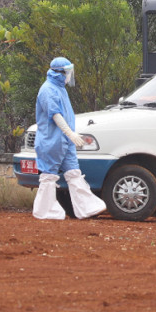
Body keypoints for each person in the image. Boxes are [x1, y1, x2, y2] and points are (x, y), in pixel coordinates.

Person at [32, 57, 107, 220]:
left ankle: (87, 208)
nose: (69, 76)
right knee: (49, 175)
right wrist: (70, 133)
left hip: (64, 140)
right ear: (59, 73)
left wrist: (70, 136)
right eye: (67, 73)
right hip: (51, 141)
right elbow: (56, 115)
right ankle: (44, 211)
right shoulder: (48, 90)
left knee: (73, 172)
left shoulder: (60, 89)